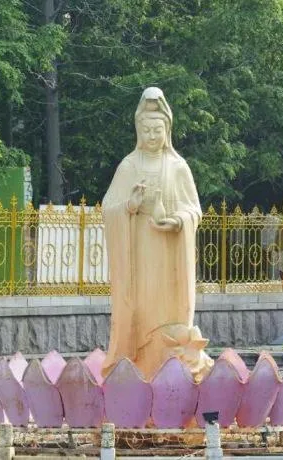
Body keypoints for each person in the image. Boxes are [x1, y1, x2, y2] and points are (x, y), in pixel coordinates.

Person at [101, 87, 213, 381]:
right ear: (139, 130)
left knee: (169, 319)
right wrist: (130, 205)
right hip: (139, 255)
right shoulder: (129, 165)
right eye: (147, 130)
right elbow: (108, 208)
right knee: (141, 313)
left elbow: (194, 210)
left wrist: (178, 221)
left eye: (157, 130)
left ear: (167, 130)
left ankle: (174, 373)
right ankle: (139, 370)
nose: (152, 136)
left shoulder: (178, 167)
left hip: (168, 255)